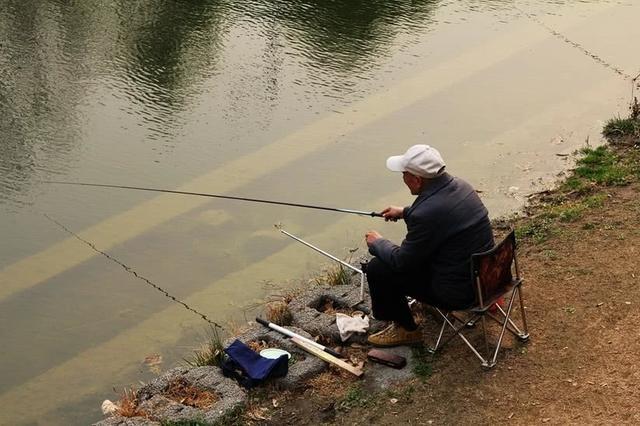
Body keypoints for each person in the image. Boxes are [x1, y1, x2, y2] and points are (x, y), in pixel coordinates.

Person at [365, 144, 494, 347]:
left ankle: (405, 329)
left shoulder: (425, 214)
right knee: (416, 255)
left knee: (378, 268)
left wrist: (378, 243)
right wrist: (405, 212)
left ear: (417, 179)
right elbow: (441, 215)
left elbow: (401, 262)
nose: (403, 179)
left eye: (404, 174)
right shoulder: (462, 186)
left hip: (459, 294)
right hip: (489, 280)